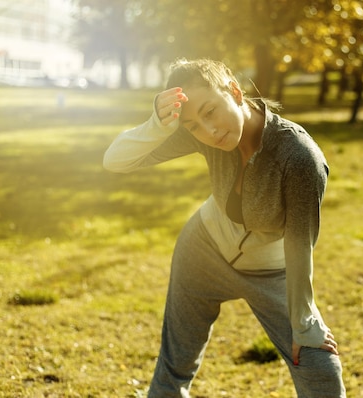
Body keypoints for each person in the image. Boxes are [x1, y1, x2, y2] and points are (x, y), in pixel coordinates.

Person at [103, 58, 346, 397]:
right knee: (173, 369)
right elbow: (115, 160)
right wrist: (157, 125)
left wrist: (304, 324)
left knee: (319, 365)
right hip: (201, 252)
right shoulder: (202, 136)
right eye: (193, 125)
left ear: (233, 90)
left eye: (210, 111)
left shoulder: (299, 156)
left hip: (270, 271)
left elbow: (300, 244)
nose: (209, 131)